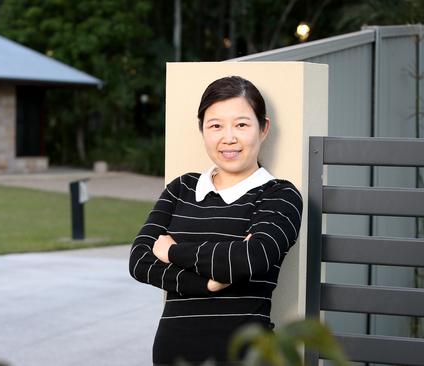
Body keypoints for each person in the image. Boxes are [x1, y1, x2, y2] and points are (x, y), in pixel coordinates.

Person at [128, 75, 303, 365]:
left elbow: (250, 259)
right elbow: (139, 261)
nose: (229, 137)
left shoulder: (279, 195)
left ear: (263, 129)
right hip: (172, 354)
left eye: (242, 124)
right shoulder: (181, 189)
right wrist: (208, 283)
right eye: (216, 126)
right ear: (202, 130)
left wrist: (172, 251)